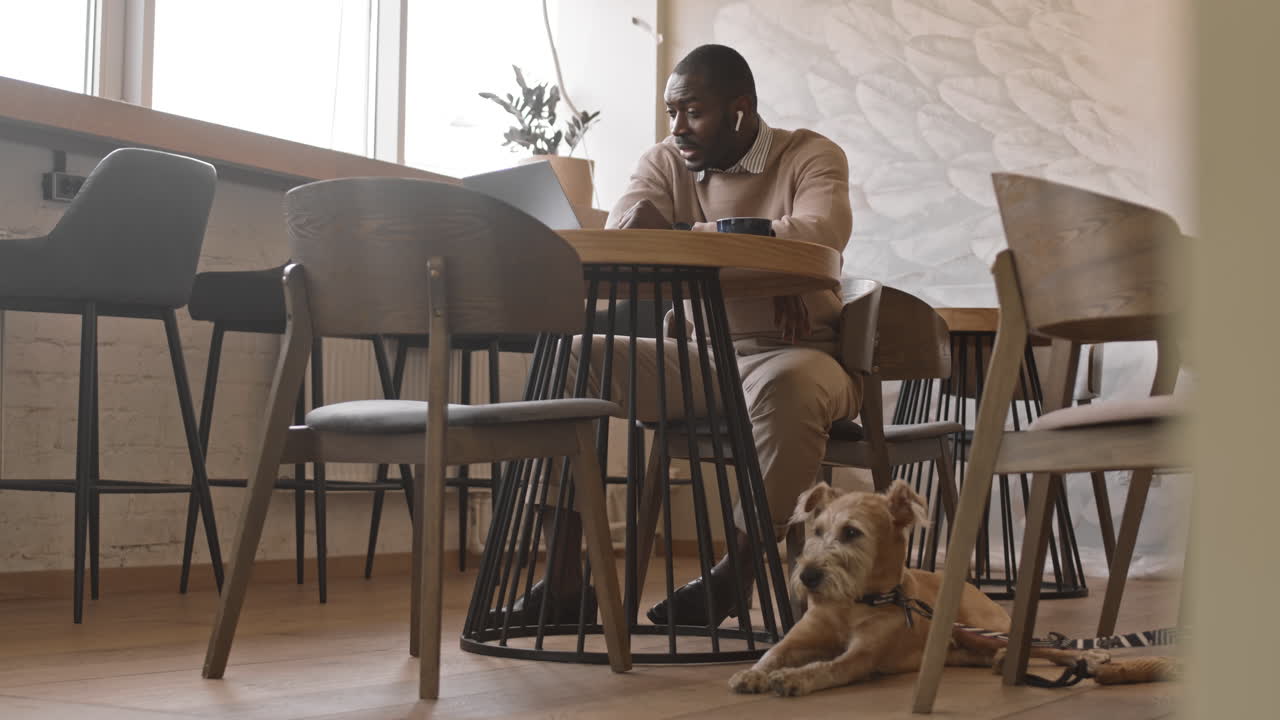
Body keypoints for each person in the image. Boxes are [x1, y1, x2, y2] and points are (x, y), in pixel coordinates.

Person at [500, 43, 862, 628]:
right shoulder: (668, 158)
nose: (677, 128)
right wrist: (766, 261)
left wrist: (694, 242)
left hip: (797, 351)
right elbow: (627, 239)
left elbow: (820, 234)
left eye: (692, 111)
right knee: (569, 359)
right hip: (698, 357)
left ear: (740, 110)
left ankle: (734, 574)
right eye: (672, 112)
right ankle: (564, 582)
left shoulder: (809, 155)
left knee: (792, 384)